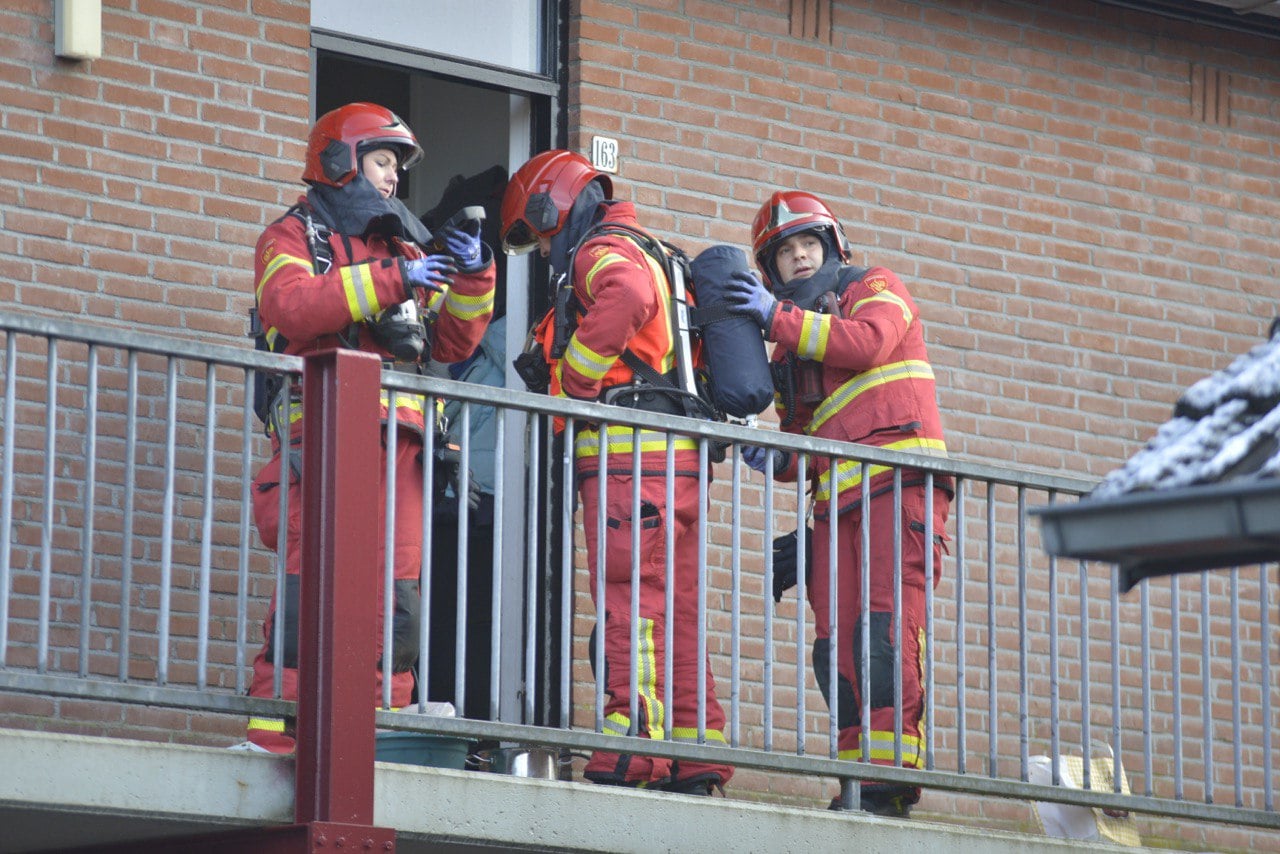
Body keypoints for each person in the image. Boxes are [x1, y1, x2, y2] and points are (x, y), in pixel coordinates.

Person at [244, 102, 496, 753]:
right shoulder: (293, 236)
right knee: (311, 582)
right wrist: (394, 279)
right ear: (341, 162)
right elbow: (292, 307)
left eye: (395, 167)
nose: (393, 178)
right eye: (382, 161)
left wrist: (474, 273)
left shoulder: (404, 249)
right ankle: (279, 730)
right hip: (322, 437)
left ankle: (384, 722)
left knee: (398, 591)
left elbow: (452, 341)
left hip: (401, 445)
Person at [499, 149, 733, 794]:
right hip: (675, 458)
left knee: (632, 603)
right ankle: (695, 755)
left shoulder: (600, 250)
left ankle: (633, 751)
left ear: (554, 205)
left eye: (541, 233)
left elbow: (625, 296)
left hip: (631, 460)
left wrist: (575, 380)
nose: (544, 248)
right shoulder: (649, 248)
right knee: (674, 609)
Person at [722, 190, 952, 817]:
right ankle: (856, 778)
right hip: (835, 507)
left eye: (808, 244)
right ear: (771, 268)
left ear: (832, 247)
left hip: (898, 487)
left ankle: (889, 780)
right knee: (836, 649)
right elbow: (802, 448)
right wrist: (764, 451)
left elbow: (869, 343)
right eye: (785, 252)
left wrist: (775, 318)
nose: (799, 257)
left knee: (883, 634)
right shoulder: (792, 347)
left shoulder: (874, 287)